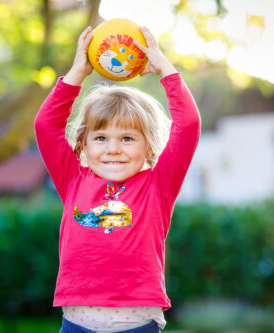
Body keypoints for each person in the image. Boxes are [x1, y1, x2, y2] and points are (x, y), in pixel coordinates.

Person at [34, 24, 201, 333]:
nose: (113, 149)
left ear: (149, 146)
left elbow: (188, 125)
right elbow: (46, 126)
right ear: (83, 144)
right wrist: (77, 74)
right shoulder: (74, 180)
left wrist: (165, 69)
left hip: (136, 326)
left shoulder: (157, 185)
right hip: (76, 325)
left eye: (127, 139)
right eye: (101, 138)